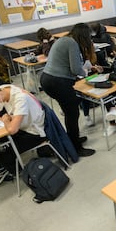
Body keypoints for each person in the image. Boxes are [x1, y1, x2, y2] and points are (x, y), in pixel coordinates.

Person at [40, 23, 95, 157]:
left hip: (48, 79)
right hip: (58, 82)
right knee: (72, 114)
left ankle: (72, 139)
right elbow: (75, 69)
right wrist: (87, 70)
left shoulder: (63, 40)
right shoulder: (72, 43)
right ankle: (76, 147)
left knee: (70, 109)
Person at [0, 84, 47, 187]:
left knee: (3, 157)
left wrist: (6, 120)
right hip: (22, 127)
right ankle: (5, 168)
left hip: (34, 133)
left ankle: (20, 172)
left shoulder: (20, 99)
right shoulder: (3, 90)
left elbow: (12, 129)